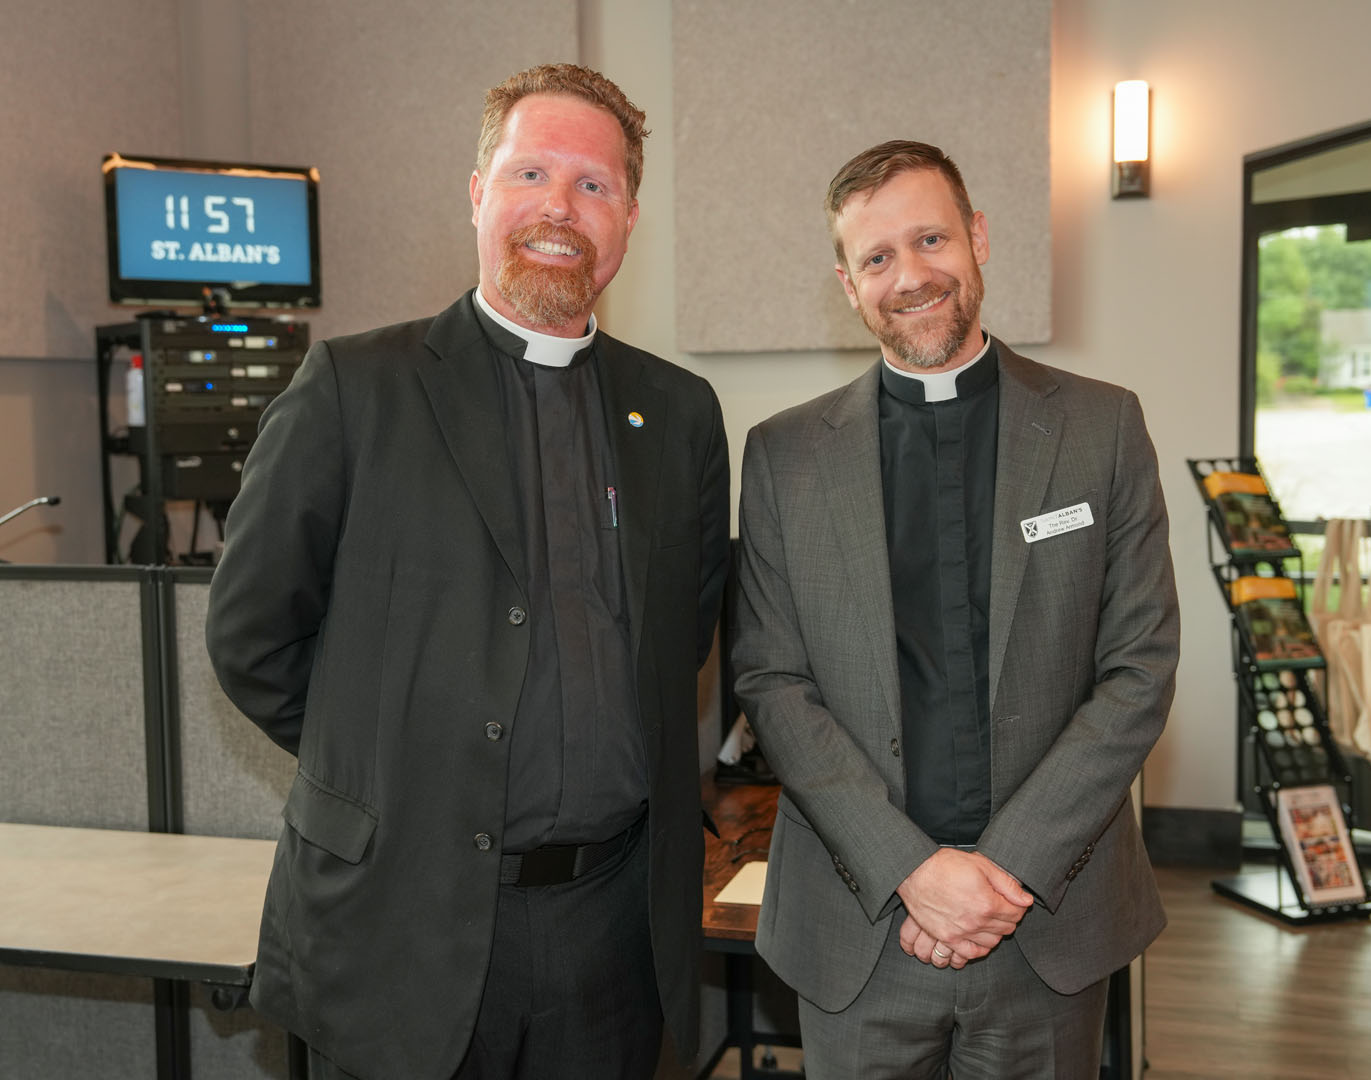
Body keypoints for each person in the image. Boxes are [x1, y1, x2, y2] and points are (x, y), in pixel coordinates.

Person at [206, 63, 729, 1080]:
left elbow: (684, 631)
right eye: (531, 172)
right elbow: (250, 636)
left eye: (593, 184)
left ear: (627, 218)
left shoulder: (678, 414)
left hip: (610, 935)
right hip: (405, 918)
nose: (559, 208)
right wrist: (394, 768)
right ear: (478, 192)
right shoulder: (356, 390)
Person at [730, 140, 1179, 1079]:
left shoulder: (1102, 427)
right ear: (847, 285)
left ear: (976, 238)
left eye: (930, 238)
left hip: (1045, 927)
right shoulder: (783, 458)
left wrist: (1000, 875)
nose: (911, 276)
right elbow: (772, 681)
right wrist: (914, 873)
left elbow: (1138, 668)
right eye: (877, 257)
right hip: (862, 930)